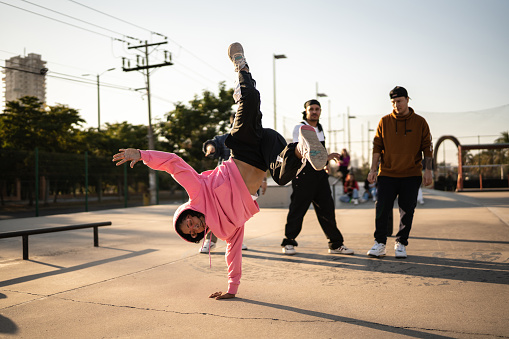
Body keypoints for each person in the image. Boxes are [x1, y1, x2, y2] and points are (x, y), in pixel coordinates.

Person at [112, 43, 329, 300]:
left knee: (251, 99)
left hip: (244, 148)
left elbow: (174, 163)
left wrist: (142, 155)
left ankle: (241, 65)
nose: (194, 228)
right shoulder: (226, 230)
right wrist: (232, 289)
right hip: (267, 157)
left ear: (187, 213)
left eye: (189, 223)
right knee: (282, 177)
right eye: (192, 233)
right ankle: (301, 148)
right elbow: (233, 252)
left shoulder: (196, 192)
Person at [366, 86, 433, 259]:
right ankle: (379, 243)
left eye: (399, 101)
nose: (397, 105)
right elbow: (377, 147)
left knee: (407, 211)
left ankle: (401, 243)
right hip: (387, 174)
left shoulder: (420, 122)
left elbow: (427, 147)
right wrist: (373, 169)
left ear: (407, 100)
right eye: (393, 102)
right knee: (382, 209)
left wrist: (428, 171)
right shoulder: (384, 121)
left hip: (411, 174)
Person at [281, 99, 354, 256]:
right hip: (303, 174)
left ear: (320, 111)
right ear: (306, 111)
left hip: (320, 175)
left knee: (327, 210)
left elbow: (318, 152)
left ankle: (335, 244)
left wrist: (324, 163)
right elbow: (301, 151)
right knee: (298, 210)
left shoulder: (319, 129)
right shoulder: (300, 128)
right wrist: (326, 156)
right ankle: (288, 242)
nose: (314, 111)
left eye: (317, 109)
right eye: (311, 109)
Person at [201, 113, 250, 253]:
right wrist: (210, 147)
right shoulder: (224, 139)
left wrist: (263, 179)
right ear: (232, 123)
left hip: (243, 183)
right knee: (215, 211)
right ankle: (210, 241)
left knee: (238, 213)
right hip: (223, 182)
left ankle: (236, 240)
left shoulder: (252, 141)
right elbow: (212, 142)